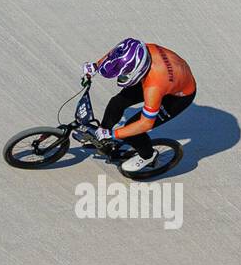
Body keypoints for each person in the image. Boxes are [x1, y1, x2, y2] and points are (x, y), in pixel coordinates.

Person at [84, 39, 197, 173]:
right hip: (166, 76)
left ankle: (148, 156)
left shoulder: (154, 87)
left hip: (177, 97)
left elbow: (145, 124)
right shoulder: (139, 50)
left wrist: (113, 134)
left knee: (131, 130)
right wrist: (97, 65)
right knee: (117, 102)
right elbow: (117, 54)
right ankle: (102, 137)